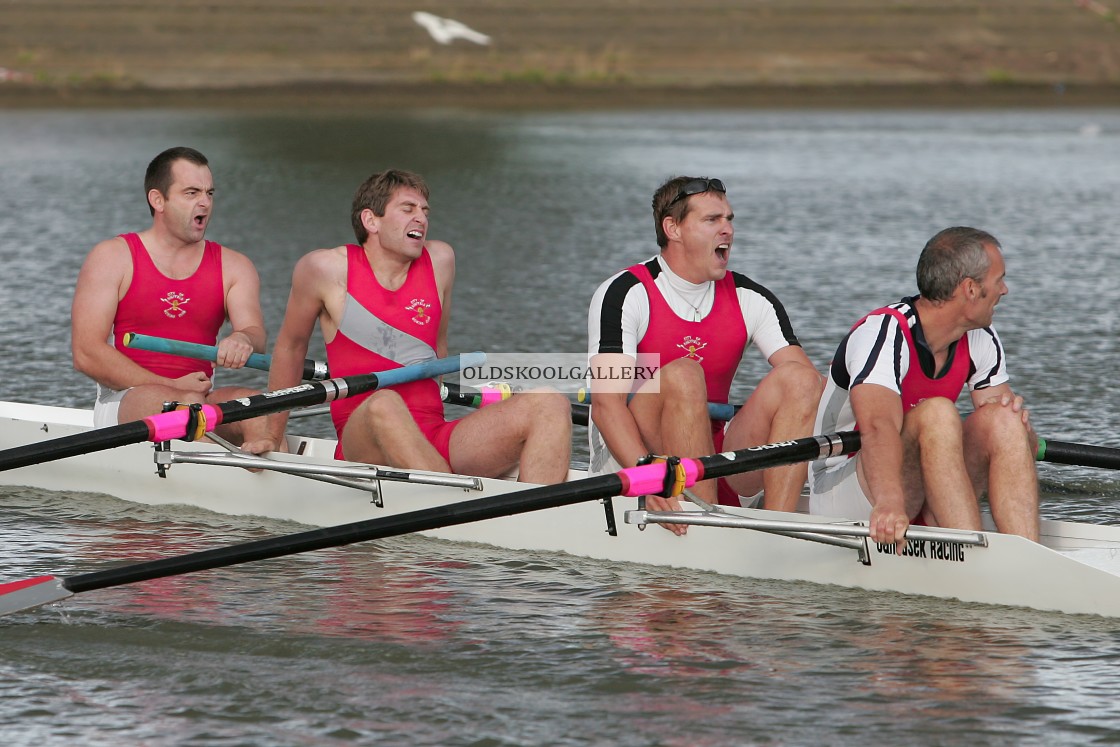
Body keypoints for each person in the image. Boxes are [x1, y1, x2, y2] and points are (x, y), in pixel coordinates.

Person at [256, 169, 572, 483]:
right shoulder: (325, 269)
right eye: (408, 209)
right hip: (364, 438)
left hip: (433, 434)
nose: (420, 218)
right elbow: (291, 348)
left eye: (424, 211)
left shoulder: (440, 261)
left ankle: (535, 515)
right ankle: (448, 500)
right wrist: (272, 436)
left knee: (550, 401)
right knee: (384, 402)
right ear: (371, 221)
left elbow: (438, 348)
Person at [586, 176, 823, 529]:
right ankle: (703, 522)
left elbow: (810, 391)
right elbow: (606, 406)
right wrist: (650, 476)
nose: (727, 230)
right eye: (712, 220)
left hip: (719, 456)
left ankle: (779, 529)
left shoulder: (751, 297)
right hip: (640, 457)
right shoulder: (625, 293)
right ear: (673, 228)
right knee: (684, 373)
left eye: (729, 219)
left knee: (802, 379)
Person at [809, 226, 1039, 548]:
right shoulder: (884, 333)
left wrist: (1021, 429)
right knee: (937, 413)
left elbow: (1017, 448)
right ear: (970, 289)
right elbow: (878, 427)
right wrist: (889, 502)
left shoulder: (981, 337)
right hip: (845, 486)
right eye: (999, 279)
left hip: (914, 485)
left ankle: (1026, 552)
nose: (1005, 290)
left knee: (1002, 417)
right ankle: (971, 554)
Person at [71, 146, 271, 446]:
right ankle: (241, 472)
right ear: (158, 200)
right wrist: (170, 385)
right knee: (188, 408)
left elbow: (255, 333)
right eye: (191, 193)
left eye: (209, 193)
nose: (205, 202)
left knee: (261, 410)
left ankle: (261, 464)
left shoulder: (235, 266)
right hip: (125, 400)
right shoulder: (112, 258)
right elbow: (86, 354)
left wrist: (243, 339)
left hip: (199, 397)